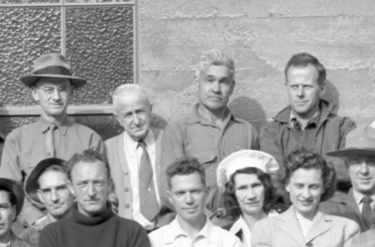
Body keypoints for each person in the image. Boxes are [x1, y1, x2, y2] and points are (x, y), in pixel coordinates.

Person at [0, 53, 103, 216]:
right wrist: (35, 219)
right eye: (48, 90)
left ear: (71, 92)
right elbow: (9, 190)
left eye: (62, 89)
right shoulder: (17, 139)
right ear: (34, 93)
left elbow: (98, 188)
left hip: (79, 224)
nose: (56, 97)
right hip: (31, 230)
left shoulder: (89, 138)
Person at [158, 53, 259, 187]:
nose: (216, 89)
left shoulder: (247, 131)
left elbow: (258, 184)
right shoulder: (178, 131)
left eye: (223, 82)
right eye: (209, 80)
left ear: (232, 86)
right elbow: (169, 189)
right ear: (197, 82)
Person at [257, 52, 355, 175]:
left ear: (322, 88)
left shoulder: (344, 128)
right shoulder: (271, 132)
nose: (299, 93)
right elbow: (273, 177)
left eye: (307, 86)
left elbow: (349, 172)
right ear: (286, 87)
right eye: (294, 86)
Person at [105, 83, 172, 228]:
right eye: (128, 114)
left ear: (150, 110)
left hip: (168, 233)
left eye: (140, 111)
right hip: (127, 236)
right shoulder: (107, 150)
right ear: (118, 119)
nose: (136, 121)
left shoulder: (170, 141)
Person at [327, 133, 375, 233]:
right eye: (356, 162)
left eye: (371, 162)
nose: (364, 171)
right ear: (347, 166)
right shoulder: (331, 208)